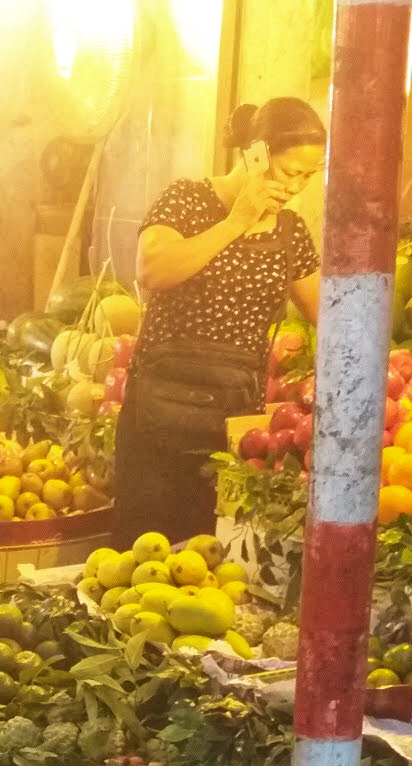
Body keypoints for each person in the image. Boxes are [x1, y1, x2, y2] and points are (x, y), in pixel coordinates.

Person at [114, 98, 325, 547]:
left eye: (308, 176)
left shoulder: (290, 232)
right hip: (157, 419)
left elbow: (329, 317)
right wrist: (237, 221)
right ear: (255, 153)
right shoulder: (187, 199)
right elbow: (152, 269)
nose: (295, 187)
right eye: (289, 172)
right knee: (142, 556)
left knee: (212, 557)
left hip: (232, 428)